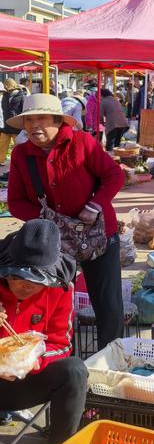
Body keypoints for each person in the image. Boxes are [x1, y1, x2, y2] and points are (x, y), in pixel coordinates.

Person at [7, 94, 125, 348]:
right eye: (29, 120)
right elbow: (15, 202)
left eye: (41, 118)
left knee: (108, 304)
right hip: (53, 244)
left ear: (58, 120)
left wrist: (94, 205)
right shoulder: (21, 154)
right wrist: (47, 223)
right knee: (56, 303)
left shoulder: (82, 142)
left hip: (98, 235)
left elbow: (114, 175)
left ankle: (112, 358)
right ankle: (61, 359)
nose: (34, 126)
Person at [0, 220, 88, 444]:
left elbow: (62, 344)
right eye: (17, 277)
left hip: (28, 379)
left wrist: (33, 360)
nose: (25, 287)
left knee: (74, 370)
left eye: (36, 281)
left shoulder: (60, 288)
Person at [0, 79, 24, 171]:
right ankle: (0, 159)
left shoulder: (21, 96)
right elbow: (3, 109)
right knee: (2, 143)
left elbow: (23, 110)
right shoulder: (5, 95)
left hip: (16, 125)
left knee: (18, 145)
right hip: (6, 124)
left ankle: (19, 161)